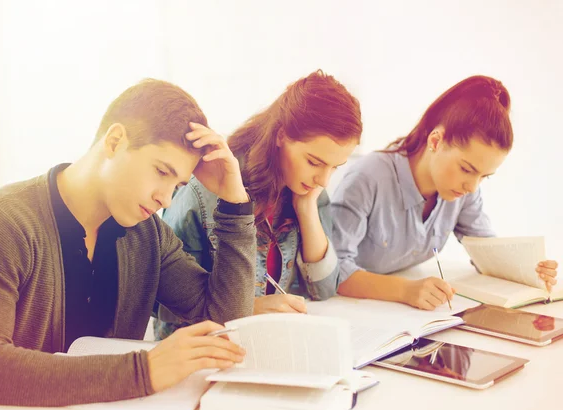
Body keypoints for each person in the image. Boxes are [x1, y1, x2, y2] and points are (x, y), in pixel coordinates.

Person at [0, 79, 256, 410]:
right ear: (115, 141)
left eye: (177, 185)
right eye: (162, 171)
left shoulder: (149, 236)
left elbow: (225, 320)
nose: (166, 198)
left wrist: (235, 204)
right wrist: (142, 372)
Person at [155, 70, 362, 339]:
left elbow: (323, 288)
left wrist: (307, 209)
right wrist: (247, 309)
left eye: (335, 167)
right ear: (281, 136)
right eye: (314, 162)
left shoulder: (308, 189)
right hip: (204, 347)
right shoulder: (205, 192)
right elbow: (165, 307)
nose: (323, 179)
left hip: (267, 342)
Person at [331, 75, 558, 310]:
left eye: (484, 176)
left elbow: (486, 251)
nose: (472, 186)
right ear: (436, 141)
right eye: (466, 169)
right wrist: (405, 290)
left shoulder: (463, 191)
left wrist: (527, 269)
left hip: (399, 314)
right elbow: (332, 271)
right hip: (349, 310)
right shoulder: (368, 178)